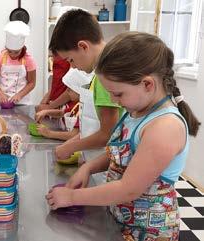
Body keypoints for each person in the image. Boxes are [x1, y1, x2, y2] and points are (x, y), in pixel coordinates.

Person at [46, 32, 201, 241]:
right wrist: (88, 167)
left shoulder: (165, 127)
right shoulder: (135, 112)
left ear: (147, 84)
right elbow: (120, 154)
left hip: (148, 233)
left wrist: (72, 197)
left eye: (118, 94)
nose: (113, 100)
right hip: (121, 221)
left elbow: (128, 189)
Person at [49, 9, 124, 162]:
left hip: (107, 165)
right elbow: (94, 128)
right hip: (96, 160)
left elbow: (107, 133)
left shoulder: (106, 78)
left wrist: (71, 147)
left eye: (70, 60)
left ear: (83, 47)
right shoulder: (98, 74)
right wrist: (74, 142)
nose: (73, 67)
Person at [0, 21, 36, 105]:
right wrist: (1, 94)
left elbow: (32, 83)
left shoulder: (29, 59)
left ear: (22, 48)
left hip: (22, 101)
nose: (12, 55)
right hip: (3, 101)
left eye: (16, 52)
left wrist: (20, 95)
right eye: (9, 51)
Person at [34, 71, 82, 141]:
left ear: (79, 90)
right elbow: (61, 113)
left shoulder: (84, 108)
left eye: (70, 90)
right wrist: (45, 112)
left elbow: (74, 135)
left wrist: (49, 133)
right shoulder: (77, 105)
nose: (67, 93)